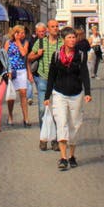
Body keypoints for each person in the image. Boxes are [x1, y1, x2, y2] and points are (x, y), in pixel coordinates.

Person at [44, 27, 91, 170]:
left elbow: (84, 74)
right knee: (61, 122)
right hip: (59, 93)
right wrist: (47, 96)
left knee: (74, 125)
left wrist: (88, 92)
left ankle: (72, 155)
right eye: (69, 37)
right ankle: (63, 158)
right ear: (63, 40)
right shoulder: (57, 55)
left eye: (73, 37)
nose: (72, 40)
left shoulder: (81, 55)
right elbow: (52, 75)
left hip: (76, 93)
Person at [29, 18, 61, 148]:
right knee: (43, 110)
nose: (55, 29)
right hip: (43, 79)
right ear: (48, 29)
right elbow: (30, 57)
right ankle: (44, 137)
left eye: (57, 26)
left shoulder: (62, 43)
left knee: (57, 111)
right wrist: (37, 54)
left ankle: (56, 139)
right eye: (52, 26)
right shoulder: (40, 42)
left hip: (58, 80)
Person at [4, 24, 32, 128]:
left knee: (23, 93)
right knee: (11, 96)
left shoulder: (25, 42)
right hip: (12, 71)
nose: (23, 35)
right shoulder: (8, 43)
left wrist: (18, 41)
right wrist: (7, 70)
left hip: (21, 70)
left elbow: (24, 53)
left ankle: (26, 117)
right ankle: (10, 115)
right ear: (15, 33)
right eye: (21, 33)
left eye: (24, 33)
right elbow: (4, 56)